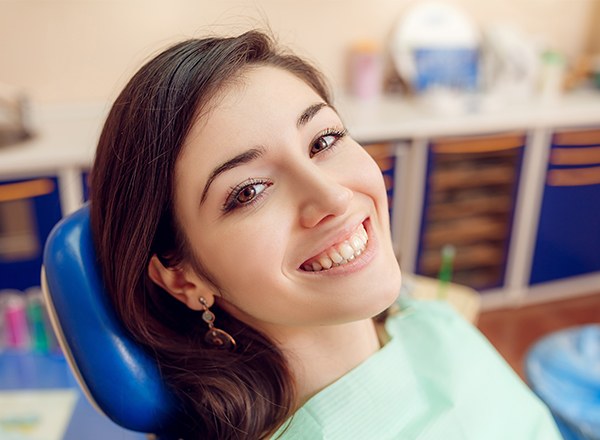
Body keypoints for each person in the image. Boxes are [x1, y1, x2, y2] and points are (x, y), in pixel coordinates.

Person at [90, 30, 561, 439]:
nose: (333, 198)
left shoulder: (427, 321)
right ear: (182, 278)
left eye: (324, 140)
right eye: (250, 191)